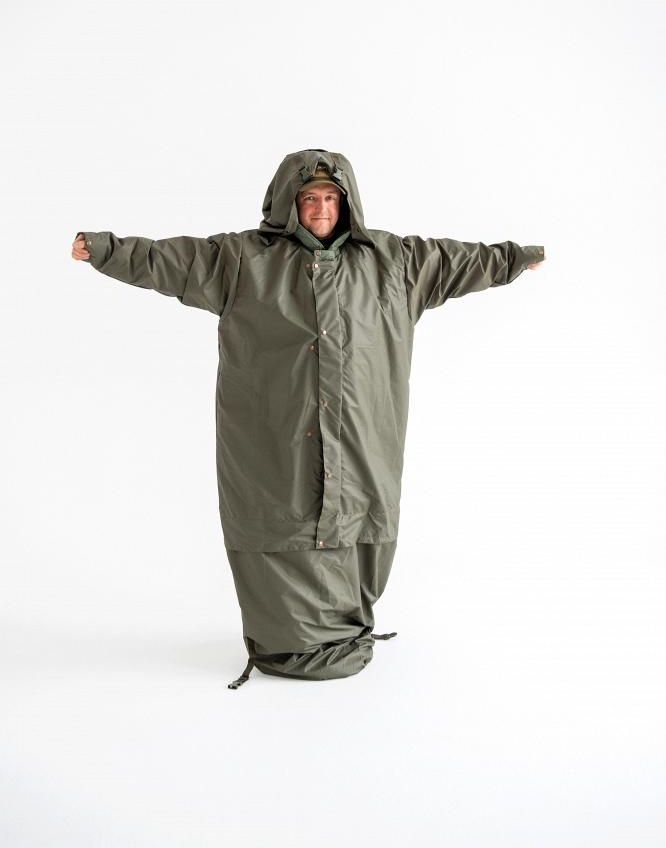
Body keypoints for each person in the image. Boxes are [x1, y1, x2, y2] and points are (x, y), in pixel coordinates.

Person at [72, 148, 545, 688]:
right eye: (309, 198)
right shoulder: (243, 260)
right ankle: (286, 641)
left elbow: (460, 260)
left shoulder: (394, 262)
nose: (321, 209)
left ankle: (345, 632)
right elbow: (168, 260)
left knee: (358, 516)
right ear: (288, 203)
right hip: (275, 438)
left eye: (331, 198)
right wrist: (106, 249)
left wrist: (515, 258)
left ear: (347, 203)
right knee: (283, 516)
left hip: (362, 436)